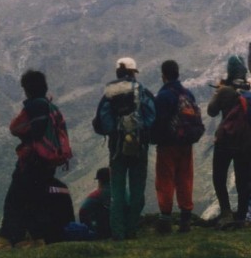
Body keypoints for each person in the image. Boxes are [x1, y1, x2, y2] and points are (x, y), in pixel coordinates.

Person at [0, 69, 68, 250]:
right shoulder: (51, 107)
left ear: (27, 88)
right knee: (36, 200)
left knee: (14, 199)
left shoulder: (34, 106)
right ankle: (37, 239)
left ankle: (5, 240)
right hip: (48, 162)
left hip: (32, 160)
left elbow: (15, 127)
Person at [92, 58, 156, 240]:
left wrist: (115, 133)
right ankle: (132, 229)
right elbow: (151, 116)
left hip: (117, 148)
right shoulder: (141, 91)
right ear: (132, 72)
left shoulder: (109, 93)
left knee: (117, 192)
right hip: (138, 146)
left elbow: (101, 122)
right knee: (137, 190)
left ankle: (117, 233)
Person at [151, 59, 202, 233]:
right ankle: (185, 220)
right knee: (185, 179)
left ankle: (165, 221)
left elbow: (158, 122)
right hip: (186, 143)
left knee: (166, 180)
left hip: (167, 145)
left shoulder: (163, 96)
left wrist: (154, 138)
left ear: (163, 76)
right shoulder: (187, 94)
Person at [206, 55, 251, 229]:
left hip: (225, 141)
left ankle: (226, 211)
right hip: (245, 142)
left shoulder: (225, 90)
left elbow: (211, 111)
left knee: (219, 177)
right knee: (243, 179)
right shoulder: (249, 89)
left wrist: (218, 90)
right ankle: (241, 214)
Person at [79, 167, 112, 240]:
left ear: (100, 181)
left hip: (103, 230)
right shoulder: (121, 191)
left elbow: (83, 210)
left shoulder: (96, 194)